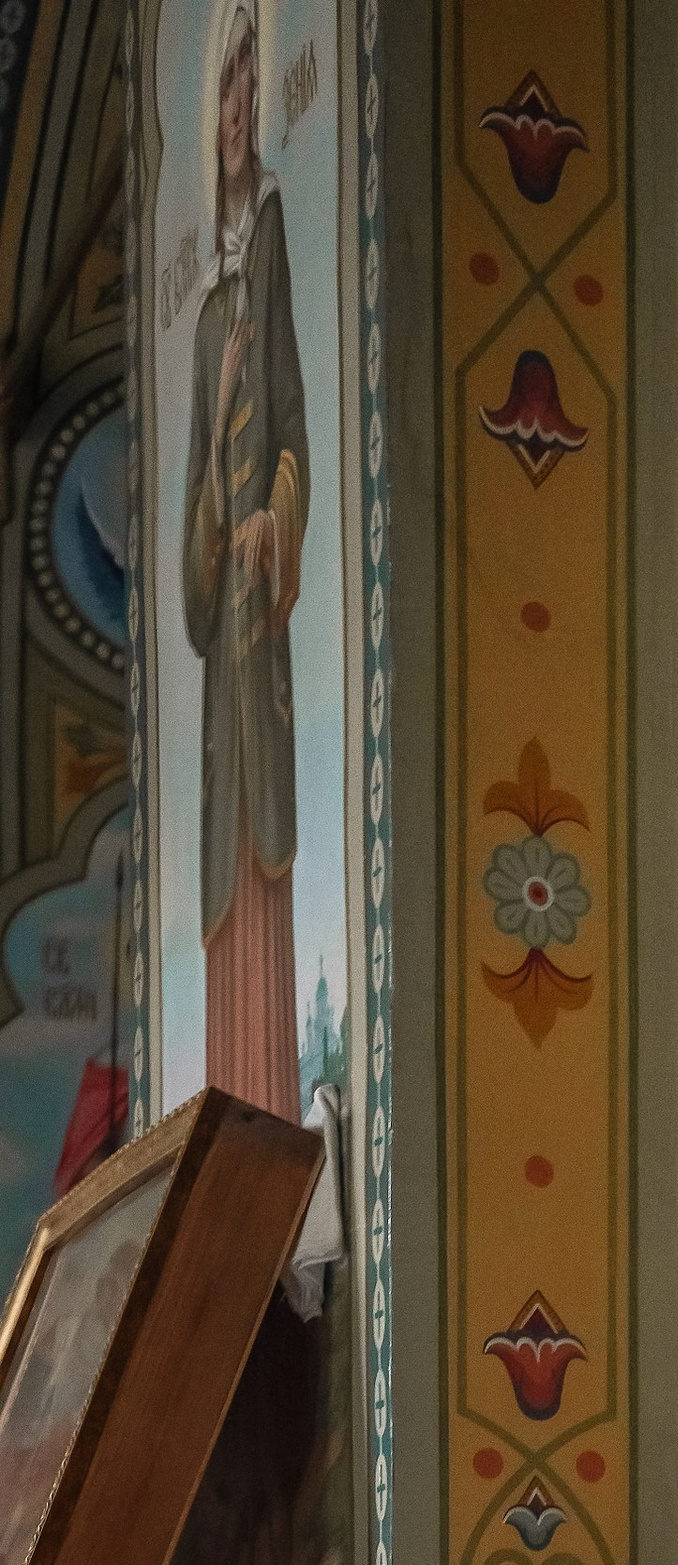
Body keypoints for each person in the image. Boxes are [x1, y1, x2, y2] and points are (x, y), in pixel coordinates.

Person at [183, 1, 307, 1121]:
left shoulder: (268, 245)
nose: (231, 112)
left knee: (267, 874)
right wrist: (211, 550)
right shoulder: (210, 303)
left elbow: (295, 432)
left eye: (242, 86)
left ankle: (270, 1117)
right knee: (226, 868)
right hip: (223, 644)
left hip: (261, 637)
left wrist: (273, 514)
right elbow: (187, 501)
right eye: (218, 91)